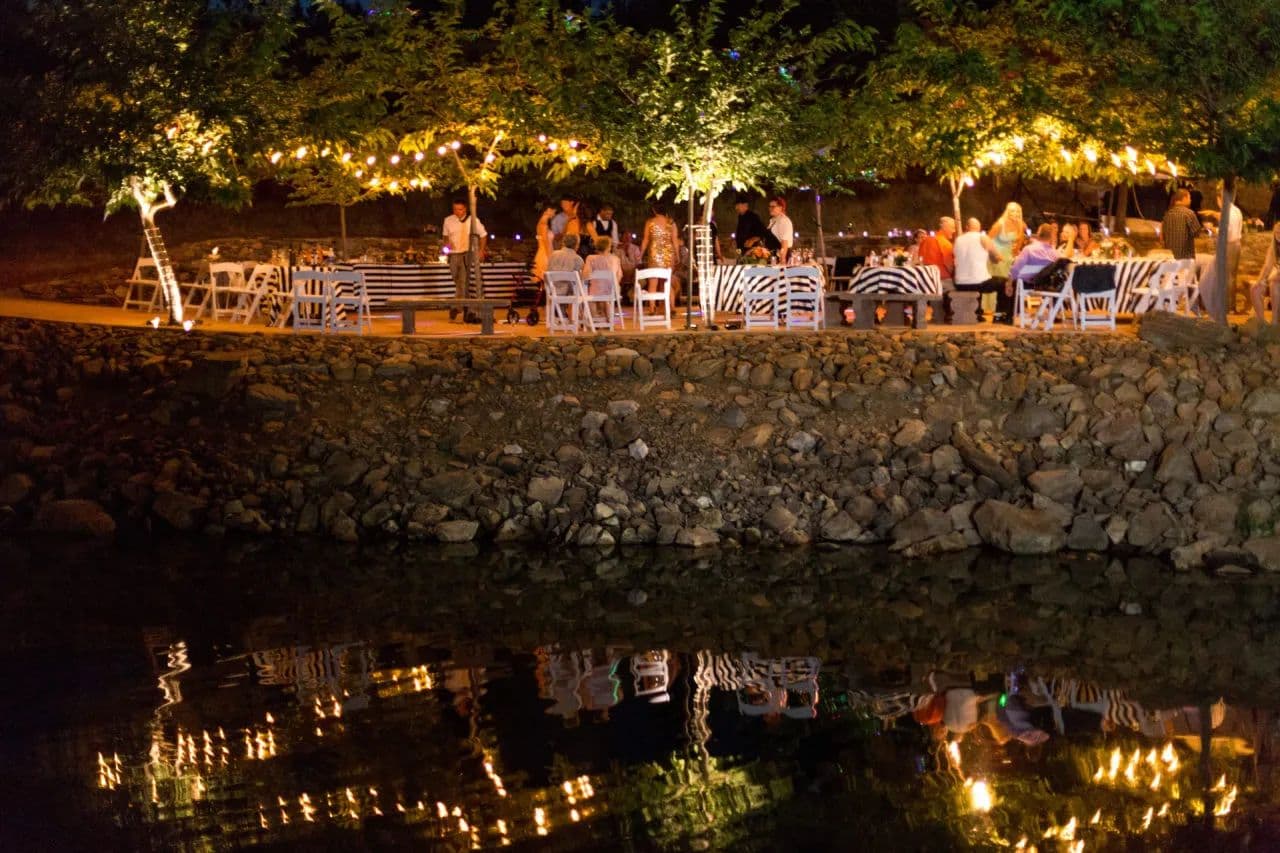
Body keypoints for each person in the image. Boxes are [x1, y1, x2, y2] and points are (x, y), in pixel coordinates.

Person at [1001, 223, 1060, 323]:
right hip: (1045, 284)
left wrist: (1009, 282)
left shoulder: (1029, 249)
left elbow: (1016, 268)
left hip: (1027, 283)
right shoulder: (1055, 253)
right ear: (1051, 237)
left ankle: (1009, 315)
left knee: (1007, 282)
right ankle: (1053, 312)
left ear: (1038, 234)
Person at [952, 217, 1003, 319]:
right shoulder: (983, 238)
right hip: (978, 284)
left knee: (979, 276)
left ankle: (977, 313)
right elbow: (996, 258)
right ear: (979, 228)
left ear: (967, 227)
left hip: (960, 283)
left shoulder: (958, 239)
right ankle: (1000, 316)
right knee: (1004, 284)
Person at [442, 199, 487, 299]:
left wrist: (481, 250)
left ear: (465, 209)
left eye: (460, 209)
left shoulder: (473, 220)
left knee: (463, 279)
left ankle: (458, 304)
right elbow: (445, 236)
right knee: (455, 277)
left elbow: (483, 235)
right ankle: (466, 300)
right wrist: (446, 245)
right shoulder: (448, 220)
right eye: (455, 209)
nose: (457, 212)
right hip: (453, 253)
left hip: (467, 253)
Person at [583, 236, 623, 321]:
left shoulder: (590, 258)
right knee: (605, 294)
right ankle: (608, 319)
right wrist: (614, 284)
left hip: (595, 291)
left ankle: (594, 319)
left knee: (591, 295)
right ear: (609, 247)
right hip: (612, 290)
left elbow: (586, 274)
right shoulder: (615, 259)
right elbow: (619, 275)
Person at [1250, 223, 1280, 324]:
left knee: (1274, 285)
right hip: (1275, 276)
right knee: (1255, 289)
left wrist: (1272, 277)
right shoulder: (1274, 248)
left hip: (1276, 279)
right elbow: (1267, 266)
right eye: (1276, 232)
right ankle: (1261, 322)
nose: (1278, 235)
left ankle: (1274, 321)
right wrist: (1259, 281)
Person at [1161, 189, 1202, 261]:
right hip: (1186, 258)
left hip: (1171, 258)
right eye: (1189, 198)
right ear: (1184, 198)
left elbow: (1163, 235)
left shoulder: (1167, 214)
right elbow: (1197, 233)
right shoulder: (1189, 213)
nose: (1191, 200)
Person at [988, 202, 1025, 281]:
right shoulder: (1000, 224)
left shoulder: (1020, 226)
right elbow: (987, 241)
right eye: (1012, 211)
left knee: (1005, 283)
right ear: (1007, 212)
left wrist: (1014, 256)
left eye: (1018, 211)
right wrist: (994, 256)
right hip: (997, 259)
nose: (1015, 214)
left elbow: (1019, 244)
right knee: (996, 283)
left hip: (1008, 260)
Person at [640, 202, 679, 273]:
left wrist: (640, 255)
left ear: (654, 210)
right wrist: (677, 255)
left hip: (654, 253)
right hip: (669, 253)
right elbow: (675, 240)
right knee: (668, 277)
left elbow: (645, 240)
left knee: (654, 278)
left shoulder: (649, 222)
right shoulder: (671, 222)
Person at [919, 216, 957, 287]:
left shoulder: (926, 241)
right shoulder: (945, 243)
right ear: (945, 227)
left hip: (926, 282)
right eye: (952, 228)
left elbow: (920, 260)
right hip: (942, 280)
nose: (954, 231)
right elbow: (950, 266)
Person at [530, 201, 556, 284]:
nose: (554, 214)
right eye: (553, 211)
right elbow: (546, 242)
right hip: (545, 254)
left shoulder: (541, 223)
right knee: (546, 280)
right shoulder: (543, 224)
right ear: (548, 210)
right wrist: (550, 257)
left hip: (543, 252)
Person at [767, 196, 794, 263]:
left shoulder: (784, 221)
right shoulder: (773, 221)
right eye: (769, 206)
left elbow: (784, 242)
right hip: (773, 256)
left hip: (781, 256)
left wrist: (782, 259)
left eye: (773, 206)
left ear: (781, 207)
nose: (770, 208)